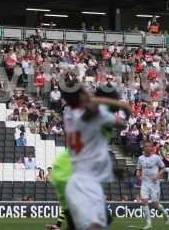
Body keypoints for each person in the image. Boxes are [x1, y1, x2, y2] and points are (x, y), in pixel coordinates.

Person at [63, 82, 129, 230]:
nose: (88, 92)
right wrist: (115, 102)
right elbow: (122, 124)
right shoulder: (95, 114)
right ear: (80, 96)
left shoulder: (69, 114)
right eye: (85, 90)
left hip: (79, 180)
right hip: (87, 183)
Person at [137, 141, 169, 229]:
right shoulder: (140, 158)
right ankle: (149, 223)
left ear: (151, 148)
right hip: (144, 183)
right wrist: (138, 174)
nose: (147, 148)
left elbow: (163, 168)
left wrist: (158, 175)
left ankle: (165, 214)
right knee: (144, 202)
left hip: (154, 184)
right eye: (145, 146)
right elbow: (139, 169)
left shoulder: (156, 157)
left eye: (149, 146)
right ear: (143, 148)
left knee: (155, 205)